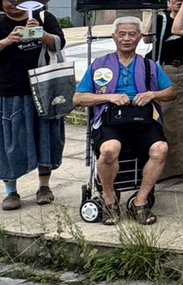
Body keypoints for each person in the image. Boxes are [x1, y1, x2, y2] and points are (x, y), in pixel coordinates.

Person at [74, 17, 176, 225]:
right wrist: (108, 97)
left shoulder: (150, 65)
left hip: (142, 118)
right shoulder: (100, 65)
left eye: (132, 34)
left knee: (161, 149)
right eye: (122, 34)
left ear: (139, 37)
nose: (127, 38)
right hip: (110, 119)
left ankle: (139, 201)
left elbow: (171, 91)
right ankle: (109, 198)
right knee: (109, 149)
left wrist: (152, 95)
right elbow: (79, 98)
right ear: (114, 37)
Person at [0, 0, 68, 210]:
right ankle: (10, 191)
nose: (12, 5)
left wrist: (40, 33)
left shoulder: (43, 17)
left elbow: (59, 42)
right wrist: (8, 40)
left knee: (46, 138)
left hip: (44, 89)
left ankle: (44, 186)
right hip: (10, 91)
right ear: (0, 3)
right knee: (9, 141)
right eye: (6, 0)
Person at [145, 0, 183, 179]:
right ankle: (164, 169)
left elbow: (180, 29)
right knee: (164, 119)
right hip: (163, 71)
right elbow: (147, 40)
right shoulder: (161, 19)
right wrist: (154, 11)